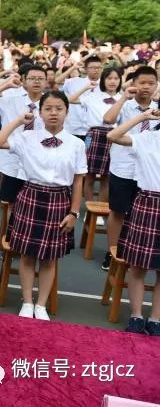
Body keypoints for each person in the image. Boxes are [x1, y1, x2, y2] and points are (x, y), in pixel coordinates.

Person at [0, 91, 86, 321]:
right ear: (40, 112)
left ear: (67, 112)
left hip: (59, 201)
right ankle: (27, 301)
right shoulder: (27, 137)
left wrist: (74, 212)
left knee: (49, 257)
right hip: (30, 196)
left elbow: (79, 180)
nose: (53, 113)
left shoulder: (76, 144)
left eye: (59, 108)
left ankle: (41, 304)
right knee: (26, 255)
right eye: (48, 108)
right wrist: (18, 121)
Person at [106, 107, 160, 336]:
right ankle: (136, 316)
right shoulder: (147, 138)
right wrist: (143, 117)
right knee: (137, 266)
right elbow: (113, 136)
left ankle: (156, 319)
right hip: (147, 202)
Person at [101, 66, 159, 271]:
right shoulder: (124, 104)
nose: (146, 87)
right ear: (133, 83)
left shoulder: (158, 108)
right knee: (118, 211)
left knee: (141, 214)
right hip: (124, 167)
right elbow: (107, 120)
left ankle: (135, 251)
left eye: (151, 83)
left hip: (150, 173)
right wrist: (124, 98)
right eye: (142, 82)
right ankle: (112, 252)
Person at [0, 66, 47, 204]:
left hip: (39, 160)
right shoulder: (11, 100)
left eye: (41, 79)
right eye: (32, 78)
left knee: (34, 203)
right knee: (9, 202)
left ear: (46, 82)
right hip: (12, 158)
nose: (36, 82)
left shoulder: (50, 104)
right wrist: (6, 85)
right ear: (23, 81)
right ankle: (10, 227)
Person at [68, 66, 122, 201]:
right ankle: (88, 208)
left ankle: (99, 210)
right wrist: (86, 87)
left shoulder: (123, 99)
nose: (112, 81)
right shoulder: (93, 96)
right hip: (95, 135)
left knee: (106, 177)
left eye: (116, 78)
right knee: (90, 174)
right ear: (103, 80)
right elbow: (71, 99)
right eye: (109, 78)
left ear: (120, 81)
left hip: (114, 137)